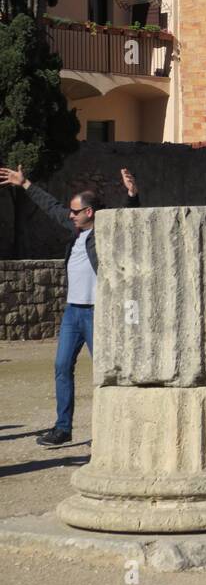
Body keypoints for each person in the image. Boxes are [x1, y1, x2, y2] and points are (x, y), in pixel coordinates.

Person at [0, 164, 139, 446]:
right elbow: (51, 207)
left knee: (106, 371)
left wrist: (133, 195)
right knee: (62, 366)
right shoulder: (75, 231)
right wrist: (25, 184)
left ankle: (116, 430)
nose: (70, 215)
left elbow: (129, 220)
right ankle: (63, 428)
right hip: (72, 312)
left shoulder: (105, 234)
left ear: (89, 212)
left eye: (75, 211)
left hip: (97, 313)